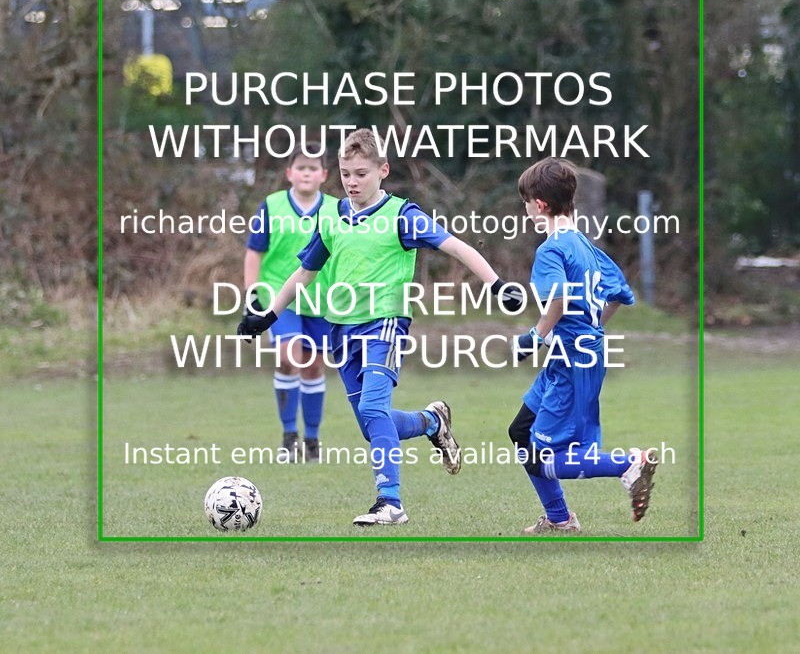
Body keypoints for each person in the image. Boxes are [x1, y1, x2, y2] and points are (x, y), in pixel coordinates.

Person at [238, 128, 522, 526]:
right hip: (342, 330)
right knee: (374, 425)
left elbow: (455, 246)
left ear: (382, 171)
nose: (352, 182)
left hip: (385, 323)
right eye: (345, 174)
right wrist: (267, 316)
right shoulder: (332, 216)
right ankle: (431, 422)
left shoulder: (402, 216)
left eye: (361, 174)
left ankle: (390, 503)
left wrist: (497, 285)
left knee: (373, 407)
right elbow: (304, 273)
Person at [508, 156, 658, 534]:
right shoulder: (587, 248)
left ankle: (628, 463)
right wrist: (592, 328)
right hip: (577, 355)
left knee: (545, 458)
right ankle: (559, 517)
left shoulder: (552, 249)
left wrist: (536, 336)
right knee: (521, 432)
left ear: (539, 204)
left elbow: (557, 298)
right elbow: (620, 294)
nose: (526, 210)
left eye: (526, 202)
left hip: (572, 359)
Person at [240, 145, 337, 462]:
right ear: (289, 174)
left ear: (323, 175)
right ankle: (288, 436)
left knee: (312, 366)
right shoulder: (271, 206)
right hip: (280, 298)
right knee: (287, 357)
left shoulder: (337, 209)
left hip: (321, 300)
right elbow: (254, 252)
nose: (307, 173)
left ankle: (311, 440)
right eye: (301, 168)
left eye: (313, 168)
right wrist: (252, 294)